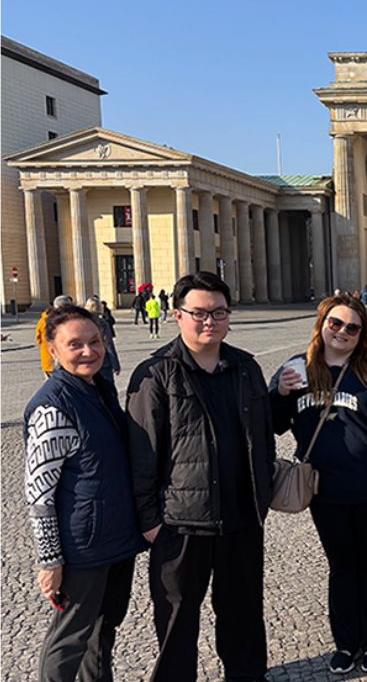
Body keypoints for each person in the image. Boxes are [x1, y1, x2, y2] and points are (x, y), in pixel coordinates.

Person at [126, 271, 275, 682]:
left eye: (219, 312)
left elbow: (262, 436)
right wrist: (151, 522)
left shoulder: (246, 367)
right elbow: (141, 456)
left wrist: (261, 494)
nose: (209, 321)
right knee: (176, 624)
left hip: (242, 518)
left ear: (229, 316)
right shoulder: (154, 374)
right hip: (181, 525)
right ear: (177, 315)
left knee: (244, 616)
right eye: (199, 313)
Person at [272, 294, 367, 674]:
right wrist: (281, 394)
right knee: (340, 567)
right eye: (335, 323)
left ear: (362, 334)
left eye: (352, 327)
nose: (342, 332)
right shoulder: (297, 369)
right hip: (326, 492)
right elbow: (273, 424)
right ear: (321, 324)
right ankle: (344, 643)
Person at [24, 305, 144, 682]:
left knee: (102, 631)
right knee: (69, 639)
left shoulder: (99, 388)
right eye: (75, 344)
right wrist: (51, 560)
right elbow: (39, 492)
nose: (89, 351)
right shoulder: (52, 404)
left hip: (115, 538)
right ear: (53, 350)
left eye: (95, 341)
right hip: (83, 547)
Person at [84, 296, 121, 385]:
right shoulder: (103, 323)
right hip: (103, 362)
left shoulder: (82, 323)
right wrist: (115, 364)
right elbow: (108, 345)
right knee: (108, 390)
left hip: (87, 362)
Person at [36, 296, 74, 378]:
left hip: (49, 360)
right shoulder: (70, 320)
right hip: (65, 361)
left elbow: (38, 339)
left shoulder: (43, 320)